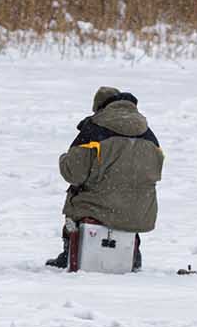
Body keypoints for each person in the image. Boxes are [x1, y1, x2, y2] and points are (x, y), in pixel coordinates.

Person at [47, 86, 164, 270]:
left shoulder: (94, 130)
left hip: (97, 208)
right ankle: (134, 253)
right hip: (139, 212)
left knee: (76, 194)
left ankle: (69, 251)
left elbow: (73, 173)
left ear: (99, 107)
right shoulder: (149, 135)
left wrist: (63, 158)